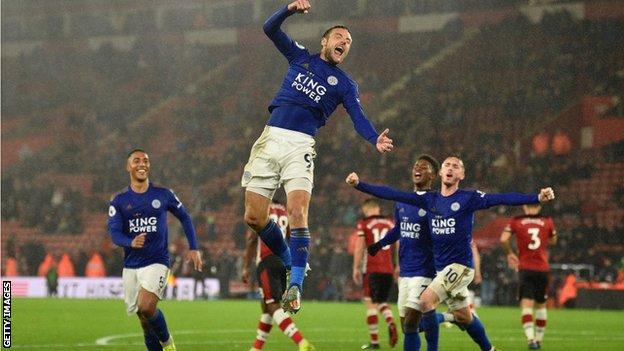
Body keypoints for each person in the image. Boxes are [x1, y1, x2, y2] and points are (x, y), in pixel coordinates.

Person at [242, 0, 393, 314]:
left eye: (348, 42)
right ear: (324, 41)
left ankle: (295, 284)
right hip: (270, 138)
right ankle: (290, 260)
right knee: (254, 218)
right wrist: (288, 9)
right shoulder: (300, 57)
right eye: (339, 37)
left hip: (300, 145)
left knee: (298, 211)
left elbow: (358, 117)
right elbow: (269, 28)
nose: (344, 43)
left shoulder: (345, 85)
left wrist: (373, 137)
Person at [347, 155, 556, 351]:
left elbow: (502, 198)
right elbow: (392, 193)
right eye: (447, 165)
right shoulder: (431, 200)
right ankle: (489, 348)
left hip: (461, 268)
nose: (450, 168)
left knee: (425, 301)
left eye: (455, 166)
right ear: (440, 174)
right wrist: (359, 185)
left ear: (461, 175)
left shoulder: (469, 198)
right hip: (442, 271)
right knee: (465, 317)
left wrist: (536, 197)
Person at [108, 149, 202, 351]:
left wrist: (194, 247)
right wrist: (130, 242)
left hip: (157, 261)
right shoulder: (119, 200)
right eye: (136, 161)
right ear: (128, 167)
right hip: (131, 265)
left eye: (146, 161)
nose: (142, 164)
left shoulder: (163, 194)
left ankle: (169, 345)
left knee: (146, 307)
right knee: (143, 319)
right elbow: (114, 233)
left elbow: (185, 217)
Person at [242, 200, 315, 351]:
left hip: (267, 260)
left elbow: (251, 239)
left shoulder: (262, 208)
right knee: (266, 305)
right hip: (282, 259)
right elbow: (289, 236)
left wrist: (246, 267)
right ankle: (256, 348)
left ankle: (301, 342)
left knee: (273, 304)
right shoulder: (283, 210)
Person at [500, 203, 557, 350]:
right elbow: (553, 240)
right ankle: (539, 340)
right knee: (541, 304)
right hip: (543, 269)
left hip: (526, 268)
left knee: (526, 305)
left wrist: (510, 254)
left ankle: (530, 339)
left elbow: (503, 239)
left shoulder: (517, 221)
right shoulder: (547, 220)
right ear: (539, 207)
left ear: (525, 207)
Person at [352, 198, 398, 350]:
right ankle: (390, 321)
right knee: (382, 302)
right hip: (388, 269)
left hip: (371, 269)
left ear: (366, 210)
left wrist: (356, 268)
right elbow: (398, 245)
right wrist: (398, 265)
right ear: (378, 209)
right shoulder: (391, 223)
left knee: (370, 303)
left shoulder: (363, 224)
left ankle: (374, 342)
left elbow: (359, 248)